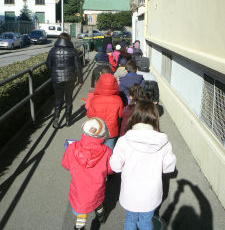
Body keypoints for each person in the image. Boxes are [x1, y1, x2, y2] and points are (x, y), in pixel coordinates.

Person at [110, 100, 176, 230]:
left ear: (134, 116)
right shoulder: (163, 142)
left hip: (130, 193)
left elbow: (115, 166)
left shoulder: (124, 141)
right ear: (155, 118)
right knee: (146, 222)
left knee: (130, 220)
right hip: (151, 195)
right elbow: (168, 168)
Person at [61, 117, 113, 230]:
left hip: (78, 187)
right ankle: (101, 215)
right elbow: (110, 170)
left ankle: (79, 227)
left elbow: (65, 164)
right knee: (98, 201)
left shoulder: (71, 148)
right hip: (96, 187)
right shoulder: (107, 151)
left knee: (81, 208)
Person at [46, 32, 83, 128]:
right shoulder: (73, 51)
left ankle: (56, 119)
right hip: (70, 78)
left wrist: (55, 69)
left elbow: (48, 65)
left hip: (56, 78)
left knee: (58, 100)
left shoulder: (53, 50)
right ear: (68, 40)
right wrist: (80, 80)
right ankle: (68, 120)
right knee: (69, 100)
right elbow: (78, 67)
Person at [87, 73, 124, 150]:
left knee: (96, 150)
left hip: (97, 130)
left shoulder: (94, 99)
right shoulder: (118, 100)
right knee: (109, 150)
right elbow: (120, 115)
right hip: (111, 131)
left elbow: (89, 115)